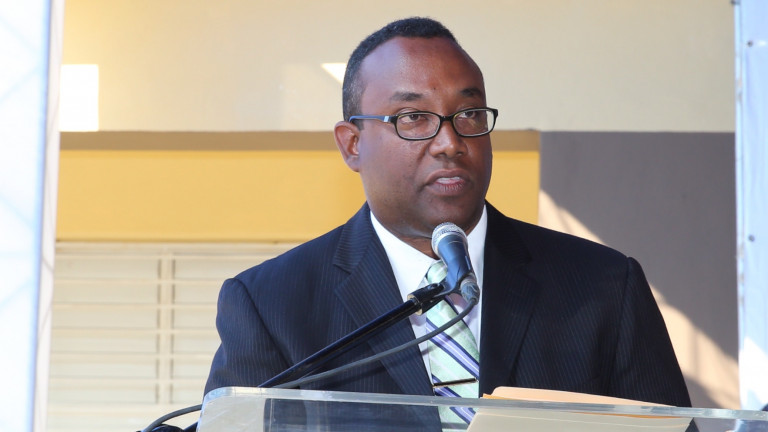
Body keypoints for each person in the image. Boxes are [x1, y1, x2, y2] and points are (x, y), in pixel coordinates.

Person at [204, 16, 691, 420]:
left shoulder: (604, 286)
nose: (450, 142)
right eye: (413, 117)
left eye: (469, 114)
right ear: (352, 145)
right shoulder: (270, 304)